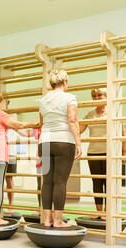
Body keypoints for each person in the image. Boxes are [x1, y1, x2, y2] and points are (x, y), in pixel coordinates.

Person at [0, 89, 38, 225]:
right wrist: (33, 124)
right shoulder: (0, 114)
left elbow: (18, 130)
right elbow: (19, 125)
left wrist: (29, 132)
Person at [39, 70, 82, 228]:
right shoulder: (69, 97)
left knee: (47, 182)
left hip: (44, 142)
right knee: (60, 182)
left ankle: (48, 220)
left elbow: (42, 122)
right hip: (64, 141)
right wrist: (78, 142)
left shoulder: (43, 100)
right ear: (65, 82)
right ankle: (58, 221)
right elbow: (72, 120)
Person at [80, 88, 126, 220]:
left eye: (99, 95)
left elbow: (122, 131)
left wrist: (125, 150)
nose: (96, 98)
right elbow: (79, 129)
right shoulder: (90, 114)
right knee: (96, 182)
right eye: (94, 96)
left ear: (107, 96)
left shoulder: (112, 112)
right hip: (93, 152)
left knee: (108, 182)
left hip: (109, 152)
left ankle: (107, 211)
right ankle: (99, 211)